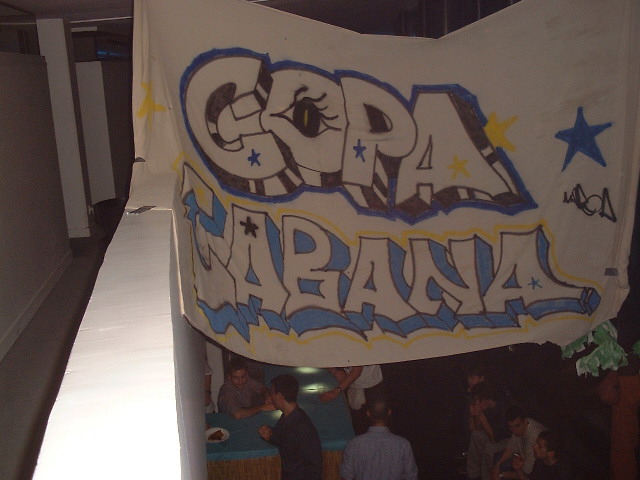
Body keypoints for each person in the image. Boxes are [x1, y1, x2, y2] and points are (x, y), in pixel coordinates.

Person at [258, 374, 323, 480]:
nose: (270, 398)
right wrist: (269, 435)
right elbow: (282, 438)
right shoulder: (287, 417)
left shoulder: (303, 427)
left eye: (272, 394)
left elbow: (315, 467)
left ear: (280, 396)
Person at [339, 398, 418, 480]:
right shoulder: (403, 444)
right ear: (389, 412)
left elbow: (346, 476)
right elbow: (411, 476)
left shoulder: (354, 443)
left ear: (368, 413)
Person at [320, 364, 385, 433]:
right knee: (358, 425)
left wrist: (336, 391)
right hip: (354, 386)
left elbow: (357, 370)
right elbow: (323, 358)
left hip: (372, 384)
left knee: (376, 424)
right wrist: (335, 371)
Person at [466, 382, 510, 480]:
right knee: (476, 435)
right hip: (494, 437)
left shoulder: (501, 409)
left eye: (479, 400)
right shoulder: (486, 407)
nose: (477, 403)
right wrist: (474, 415)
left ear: (486, 399)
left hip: (507, 440)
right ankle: (473, 475)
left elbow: (494, 440)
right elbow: (475, 429)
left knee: (489, 448)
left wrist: (481, 415)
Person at [489, 405, 545, 480]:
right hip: (522, 460)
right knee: (497, 459)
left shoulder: (534, 438)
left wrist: (501, 475)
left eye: (517, 426)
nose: (514, 430)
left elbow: (527, 473)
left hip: (535, 470)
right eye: (510, 427)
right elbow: (511, 447)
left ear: (525, 421)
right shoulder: (519, 427)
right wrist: (497, 465)